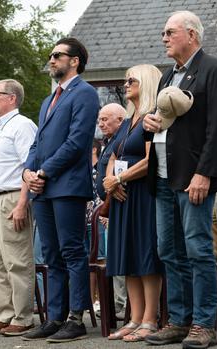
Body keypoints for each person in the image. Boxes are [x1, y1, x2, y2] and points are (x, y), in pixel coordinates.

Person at [142, 11, 217, 349]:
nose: (164, 38)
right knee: (169, 250)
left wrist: (204, 172)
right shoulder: (167, 76)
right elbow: (165, 120)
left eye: (169, 32)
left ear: (191, 35)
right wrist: (151, 122)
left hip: (191, 175)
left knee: (197, 249)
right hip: (163, 174)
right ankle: (179, 320)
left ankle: (204, 324)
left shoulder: (213, 69)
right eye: (163, 32)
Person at [22, 37, 99, 343]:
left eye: (57, 55)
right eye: (50, 55)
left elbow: (77, 141)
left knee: (72, 251)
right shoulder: (48, 99)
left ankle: (76, 318)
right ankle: (55, 317)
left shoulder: (85, 94)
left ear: (75, 61)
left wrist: (44, 171)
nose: (51, 60)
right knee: (51, 254)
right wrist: (28, 171)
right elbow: (37, 143)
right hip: (42, 188)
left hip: (67, 186)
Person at [103, 64, 163, 341]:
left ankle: (150, 318)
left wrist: (120, 178)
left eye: (131, 80)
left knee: (145, 255)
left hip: (143, 195)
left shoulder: (153, 117)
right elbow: (113, 155)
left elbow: (152, 160)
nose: (125, 84)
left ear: (147, 82)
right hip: (122, 195)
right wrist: (109, 181)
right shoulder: (127, 120)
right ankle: (134, 317)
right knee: (126, 256)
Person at [0, 79, 38, 337]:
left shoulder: (23, 126)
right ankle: (3, 314)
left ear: (12, 98)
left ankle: (23, 316)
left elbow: (29, 166)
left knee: (17, 259)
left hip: (13, 196)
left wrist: (22, 203)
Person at [96, 103, 127, 318]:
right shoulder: (108, 143)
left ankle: (125, 306)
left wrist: (108, 206)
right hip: (110, 209)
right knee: (113, 257)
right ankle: (118, 305)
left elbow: (119, 174)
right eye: (100, 120)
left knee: (122, 257)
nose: (101, 123)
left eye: (106, 119)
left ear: (120, 120)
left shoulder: (123, 141)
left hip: (119, 205)